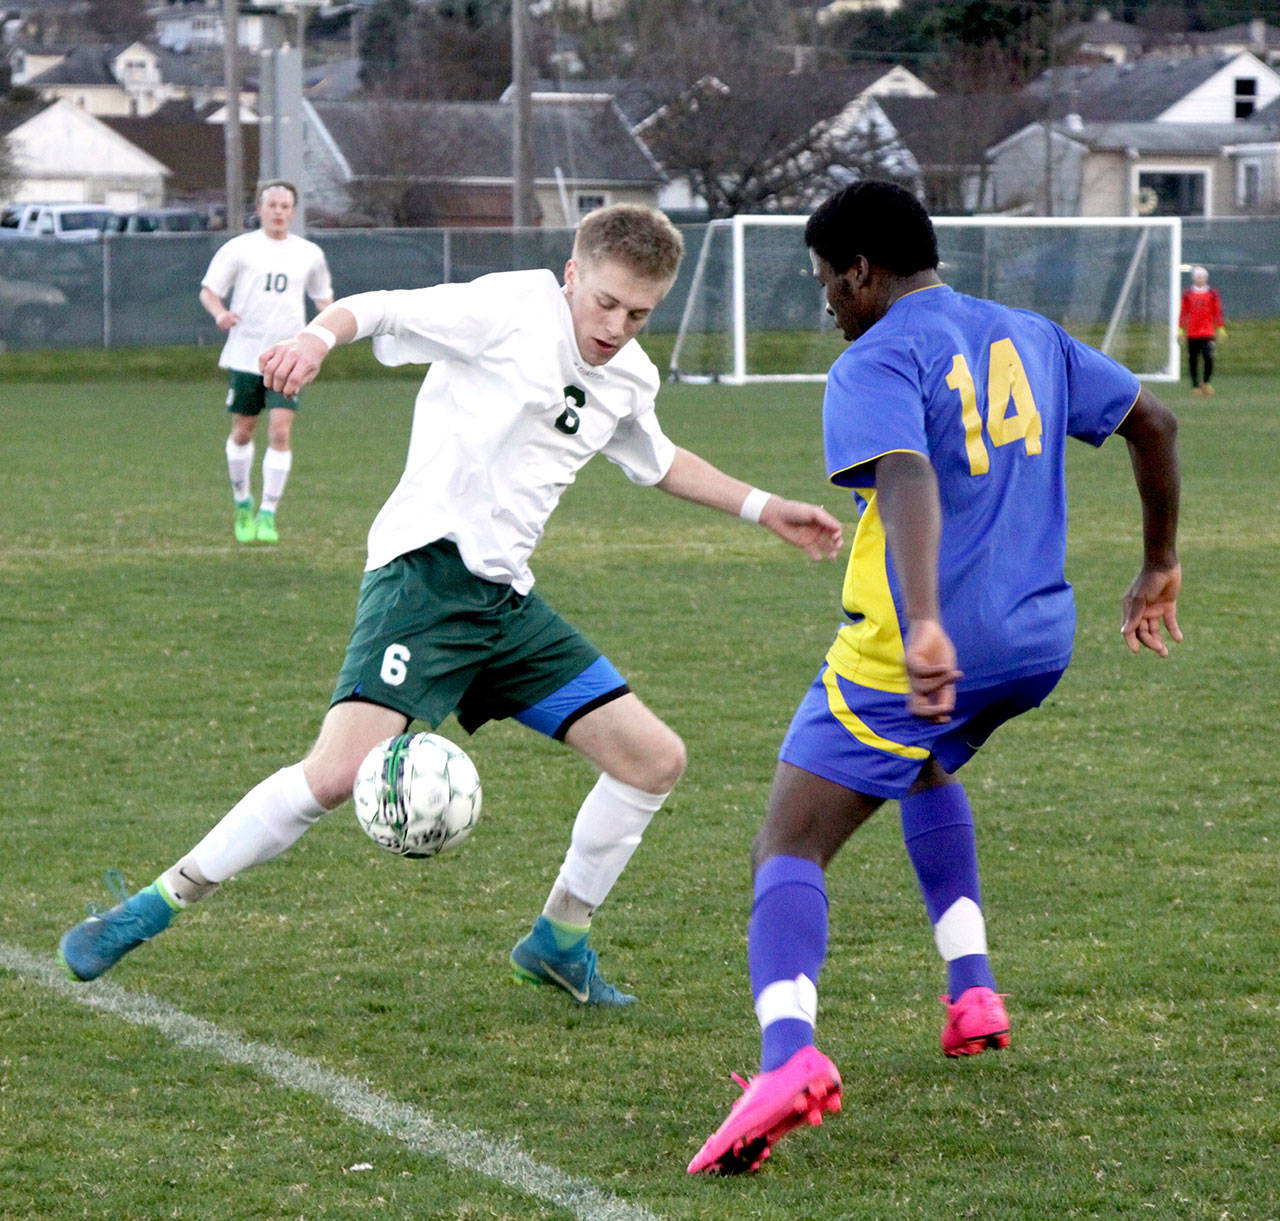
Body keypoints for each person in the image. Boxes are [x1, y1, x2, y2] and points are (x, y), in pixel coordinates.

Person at [58, 204, 844, 1008]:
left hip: (504, 606)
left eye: (639, 313)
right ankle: (147, 909)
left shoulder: (630, 374)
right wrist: (314, 338)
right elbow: (384, 308)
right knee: (333, 775)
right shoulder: (507, 308)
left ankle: (558, 940)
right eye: (605, 302)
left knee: (653, 759)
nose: (616, 325)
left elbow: (658, 459)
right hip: (426, 581)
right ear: (574, 275)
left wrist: (764, 507)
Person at [687, 181, 1182, 1175]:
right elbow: (1155, 424)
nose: (826, 301)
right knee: (920, 763)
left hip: (928, 643)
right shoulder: (1027, 333)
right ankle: (971, 992)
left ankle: (786, 1059)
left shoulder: (876, 357)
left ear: (862, 274)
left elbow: (905, 474)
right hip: (1035, 643)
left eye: (827, 282)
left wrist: (919, 626)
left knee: (786, 844)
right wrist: (1156, 563)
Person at [199, 179, 334, 544]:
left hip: (288, 355)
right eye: (271, 205)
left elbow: (324, 301)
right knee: (243, 431)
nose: (278, 211)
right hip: (246, 356)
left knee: (280, 431)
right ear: (259, 209)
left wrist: (333, 331)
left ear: (293, 211)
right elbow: (209, 290)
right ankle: (243, 503)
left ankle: (268, 512)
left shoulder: (309, 253)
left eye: (285, 206)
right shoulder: (240, 249)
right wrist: (220, 314)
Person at [1178, 265, 1226, 397]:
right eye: (1197, 277)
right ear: (1194, 278)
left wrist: (1220, 328)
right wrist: (1180, 329)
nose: (1200, 279)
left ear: (1206, 278)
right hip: (1192, 333)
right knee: (1193, 359)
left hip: (1207, 333)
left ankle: (1206, 383)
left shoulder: (1212, 293)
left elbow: (1217, 311)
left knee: (1208, 357)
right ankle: (1195, 385)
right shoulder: (1187, 294)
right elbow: (1183, 312)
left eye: (1202, 277)